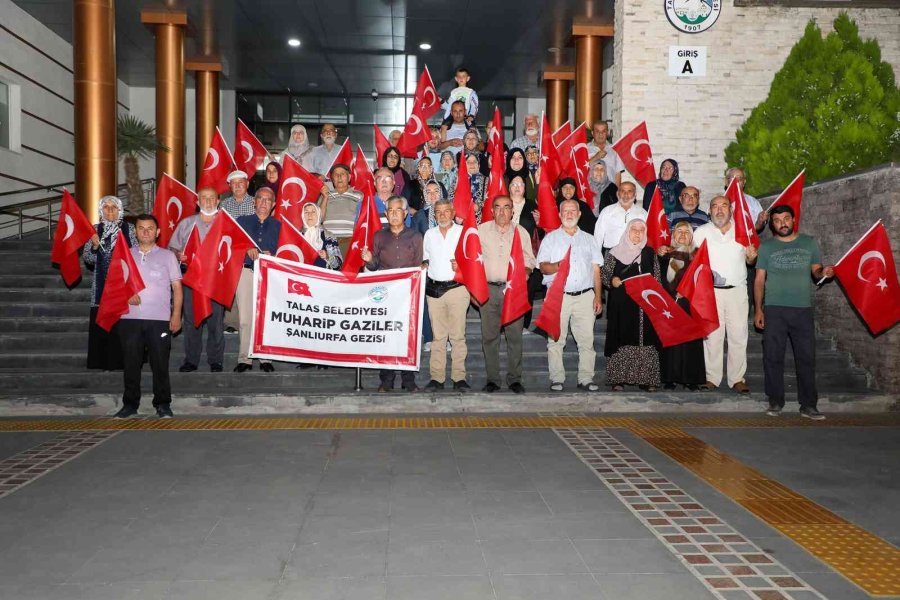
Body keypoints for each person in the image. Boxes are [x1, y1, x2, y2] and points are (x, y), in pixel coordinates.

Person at [754, 206, 834, 420]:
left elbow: (816, 273)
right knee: (772, 357)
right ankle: (775, 401)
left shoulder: (809, 242)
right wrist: (758, 309)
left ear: (793, 219)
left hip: (802, 309)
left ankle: (808, 405)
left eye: (786, 219)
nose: (782, 223)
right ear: (772, 224)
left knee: (806, 358)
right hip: (774, 309)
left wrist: (824, 272)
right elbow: (759, 280)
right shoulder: (767, 247)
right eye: (777, 220)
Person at [114, 214, 182, 419]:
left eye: (150, 228)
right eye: (141, 228)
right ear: (135, 232)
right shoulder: (124, 254)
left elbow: (177, 288)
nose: (145, 231)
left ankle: (162, 404)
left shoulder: (168, 256)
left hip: (159, 320)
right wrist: (126, 293)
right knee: (131, 363)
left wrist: (176, 314)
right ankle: (130, 404)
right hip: (129, 319)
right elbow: (114, 285)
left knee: (160, 363)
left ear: (158, 232)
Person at [536, 199, 604, 392]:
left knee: (586, 341)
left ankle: (586, 378)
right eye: (565, 211)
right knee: (556, 340)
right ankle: (557, 378)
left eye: (573, 210)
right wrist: (558, 266)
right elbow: (542, 266)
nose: (569, 214)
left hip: (585, 296)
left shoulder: (590, 239)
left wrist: (598, 297)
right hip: (559, 296)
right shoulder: (550, 238)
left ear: (579, 214)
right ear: (559, 214)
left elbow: (596, 271)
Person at [693, 195, 758, 393]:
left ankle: (737, 378)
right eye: (715, 206)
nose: (719, 210)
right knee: (712, 336)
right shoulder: (701, 232)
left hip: (737, 291)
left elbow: (751, 261)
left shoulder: (743, 232)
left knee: (738, 335)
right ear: (709, 211)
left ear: (731, 210)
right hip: (710, 293)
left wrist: (751, 259)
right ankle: (712, 378)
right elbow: (691, 261)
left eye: (724, 206)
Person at [361, 196, 424, 392]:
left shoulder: (415, 237)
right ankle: (386, 380)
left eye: (399, 210)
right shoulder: (379, 236)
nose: (395, 214)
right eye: (391, 210)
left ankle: (408, 380)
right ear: (386, 214)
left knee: (408, 337)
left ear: (405, 214)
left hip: (408, 295)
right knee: (386, 337)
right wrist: (369, 260)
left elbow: (419, 265)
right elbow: (374, 266)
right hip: (386, 296)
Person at [478, 195, 536, 394]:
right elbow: (471, 261)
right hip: (488, 290)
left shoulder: (521, 232)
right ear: (492, 210)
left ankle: (514, 379)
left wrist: (525, 274)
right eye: (498, 207)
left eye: (506, 207)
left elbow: (530, 260)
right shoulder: (480, 231)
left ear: (513, 211)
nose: (502, 212)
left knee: (514, 337)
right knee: (489, 337)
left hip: (513, 291)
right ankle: (493, 379)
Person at [168, 186, 226, 373]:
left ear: (218, 201)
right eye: (204, 198)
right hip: (191, 278)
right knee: (192, 321)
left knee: (215, 322)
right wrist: (178, 255)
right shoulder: (187, 223)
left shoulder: (227, 223)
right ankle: (191, 360)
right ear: (197, 202)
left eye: (212, 198)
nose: (208, 201)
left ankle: (216, 360)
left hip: (217, 280)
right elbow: (172, 249)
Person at [602, 219, 662, 391]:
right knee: (621, 336)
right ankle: (618, 379)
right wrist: (611, 280)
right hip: (621, 305)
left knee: (646, 339)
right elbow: (605, 275)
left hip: (645, 306)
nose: (637, 233)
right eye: (633, 229)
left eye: (641, 230)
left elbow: (657, 279)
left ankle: (646, 379)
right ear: (627, 231)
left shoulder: (650, 253)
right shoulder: (614, 253)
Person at [82, 195, 137, 370]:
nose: (111, 210)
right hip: (101, 290)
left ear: (120, 211)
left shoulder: (130, 229)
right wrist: (94, 246)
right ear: (101, 211)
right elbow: (88, 258)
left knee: (123, 329)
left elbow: (136, 256)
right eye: (106, 207)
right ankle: (101, 362)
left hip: (124, 288)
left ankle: (123, 363)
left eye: (114, 207)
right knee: (102, 327)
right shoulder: (94, 229)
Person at [421, 199, 469, 391]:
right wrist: (421, 266)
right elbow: (425, 259)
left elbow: (475, 259)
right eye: (438, 212)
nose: (442, 215)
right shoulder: (429, 234)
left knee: (457, 336)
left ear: (453, 212)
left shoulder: (463, 232)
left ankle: (459, 378)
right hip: (434, 291)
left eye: (445, 211)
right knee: (438, 337)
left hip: (457, 289)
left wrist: (462, 265)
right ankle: (437, 379)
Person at [234, 187, 281, 373]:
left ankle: (265, 358)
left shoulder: (279, 226)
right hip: (246, 272)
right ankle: (244, 358)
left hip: (270, 275)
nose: (263, 203)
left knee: (266, 317)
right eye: (260, 198)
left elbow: (287, 251)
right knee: (246, 318)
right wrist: (245, 248)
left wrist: (274, 255)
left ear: (273, 204)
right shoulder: (241, 221)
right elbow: (229, 242)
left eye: (268, 200)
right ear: (254, 201)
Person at [656, 221, 706, 390]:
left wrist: (689, 292)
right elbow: (657, 279)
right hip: (668, 305)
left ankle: (691, 379)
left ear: (692, 236)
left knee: (691, 344)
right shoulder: (664, 255)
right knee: (670, 343)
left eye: (687, 231)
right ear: (673, 235)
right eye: (679, 231)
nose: (683, 234)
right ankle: (669, 378)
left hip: (690, 305)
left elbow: (705, 280)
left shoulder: (699, 256)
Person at [593, 181, 648, 256]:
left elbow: (649, 236)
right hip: (611, 255)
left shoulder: (643, 213)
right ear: (617, 194)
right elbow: (598, 236)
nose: (626, 194)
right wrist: (596, 259)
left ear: (635, 194)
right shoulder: (607, 211)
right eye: (622, 191)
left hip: (636, 256)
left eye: (629, 191)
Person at [320, 163, 362, 238]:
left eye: (342, 174)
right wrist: (325, 197)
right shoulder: (324, 195)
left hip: (350, 239)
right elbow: (319, 219)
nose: (339, 177)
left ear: (349, 177)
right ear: (332, 179)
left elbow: (364, 219)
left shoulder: (360, 195)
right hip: (328, 240)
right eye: (336, 174)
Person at [299, 202, 343, 270]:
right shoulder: (297, 236)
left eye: (313, 212)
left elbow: (338, 265)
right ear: (302, 215)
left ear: (318, 215)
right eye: (306, 212)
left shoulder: (329, 236)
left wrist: (328, 256)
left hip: (322, 277)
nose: (309, 215)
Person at [586, 121, 624, 188]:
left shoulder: (614, 149)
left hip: (609, 192)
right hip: (590, 191)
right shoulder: (585, 149)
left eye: (603, 131)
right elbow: (580, 169)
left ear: (607, 133)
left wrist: (616, 193)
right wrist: (596, 157)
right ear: (592, 133)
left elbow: (617, 173)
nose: (600, 134)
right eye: (597, 131)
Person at [463, 152, 487, 223]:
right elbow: (452, 199)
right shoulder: (458, 181)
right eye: (468, 162)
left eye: (474, 162)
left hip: (483, 221)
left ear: (479, 165)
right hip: (462, 221)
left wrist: (479, 206)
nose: (472, 164)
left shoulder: (487, 180)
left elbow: (492, 200)